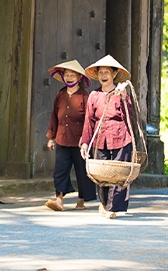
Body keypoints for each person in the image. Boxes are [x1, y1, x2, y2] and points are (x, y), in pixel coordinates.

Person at [79, 54, 137, 219]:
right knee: (102, 174)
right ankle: (104, 204)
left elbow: (129, 115)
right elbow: (89, 121)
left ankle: (113, 208)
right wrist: (84, 143)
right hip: (100, 138)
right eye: (101, 72)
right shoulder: (93, 96)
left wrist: (124, 97)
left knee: (118, 174)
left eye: (107, 72)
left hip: (120, 137)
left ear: (114, 75)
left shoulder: (121, 93)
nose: (103, 75)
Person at [44, 60, 97, 211]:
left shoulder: (84, 96)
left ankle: (81, 200)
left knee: (82, 171)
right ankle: (59, 200)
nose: (69, 77)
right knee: (60, 169)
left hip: (80, 141)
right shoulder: (60, 94)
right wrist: (50, 137)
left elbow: (89, 118)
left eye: (72, 75)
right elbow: (54, 116)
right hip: (62, 138)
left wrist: (86, 138)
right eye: (66, 75)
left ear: (79, 77)